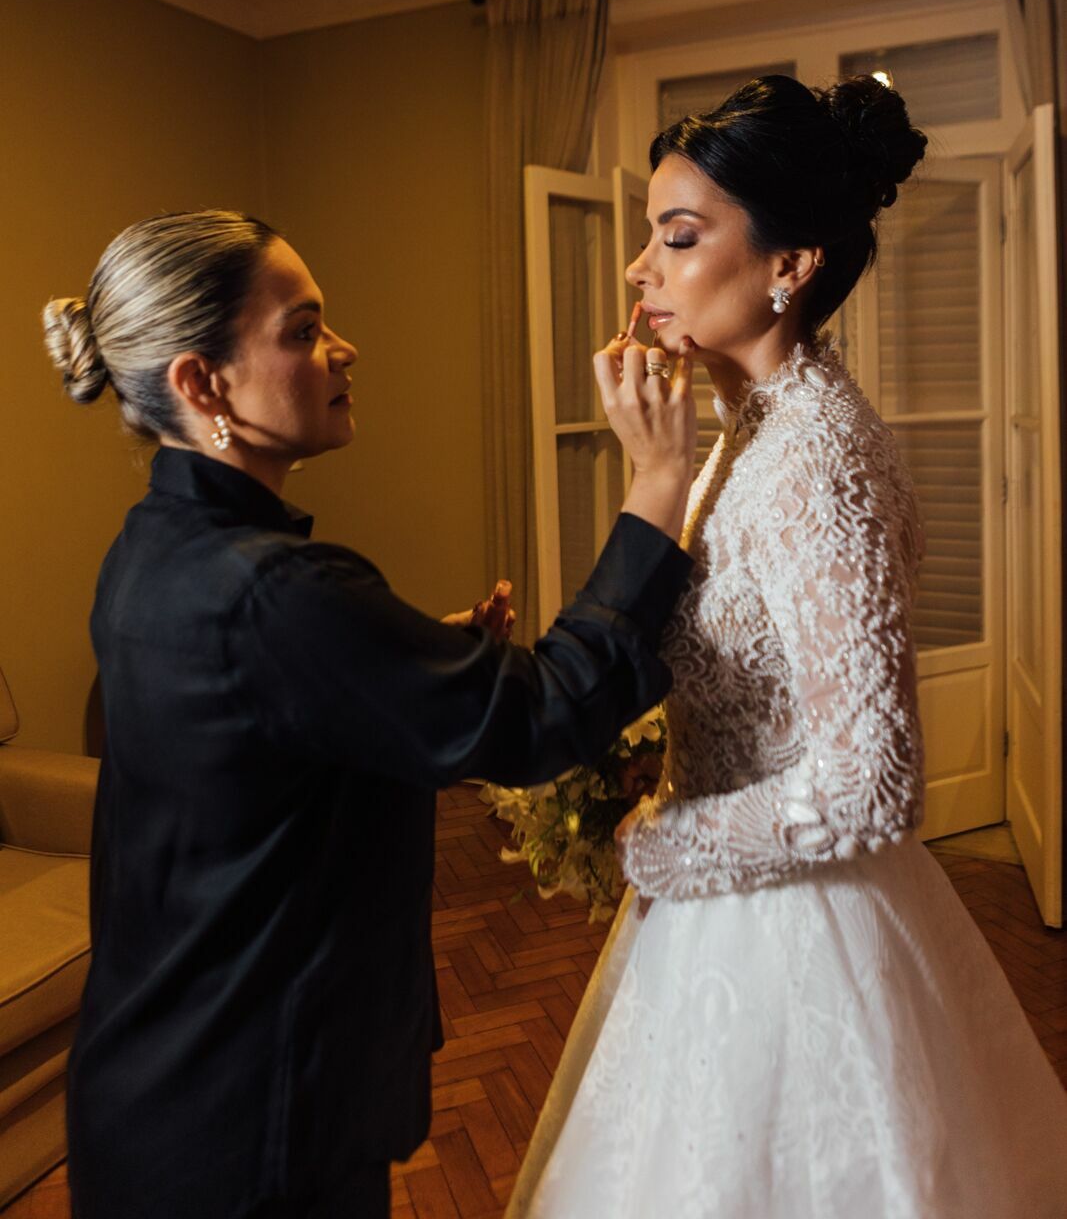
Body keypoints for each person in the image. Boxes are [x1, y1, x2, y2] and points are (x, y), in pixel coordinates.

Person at [41, 209, 697, 1219]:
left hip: (153, 1088)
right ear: (200, 383)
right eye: (301, 330)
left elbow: (253, 740)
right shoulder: (279, 593)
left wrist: (391, 679)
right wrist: (658, 479)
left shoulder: (149, 552)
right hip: (245, 1127)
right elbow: (544, 716)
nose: (342, 348)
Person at [506, 75, 1067, 1219]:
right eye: (645, 240)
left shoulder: (814, 458)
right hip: (728, 896)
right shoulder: (739, 433)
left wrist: (665, 848)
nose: (636, 270)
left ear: (788, 265)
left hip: (794, 928)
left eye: (676, 237)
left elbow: (872, 782)